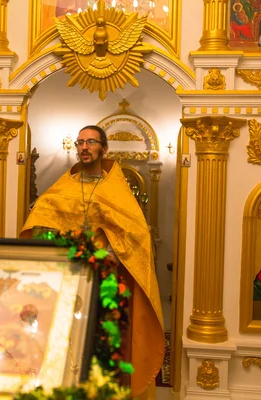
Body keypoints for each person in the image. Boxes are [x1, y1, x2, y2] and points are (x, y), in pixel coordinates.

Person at [20, 125, 164, 399]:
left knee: (101, 342)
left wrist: (111, 249)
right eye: (80, 142)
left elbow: (137, 233)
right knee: (64, 341)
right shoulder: (64, 187)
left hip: (105, 280)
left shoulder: (116, 189)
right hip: (67, 279)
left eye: (91, 142)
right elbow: (41, 223)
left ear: (104, 148)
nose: (84, 147)